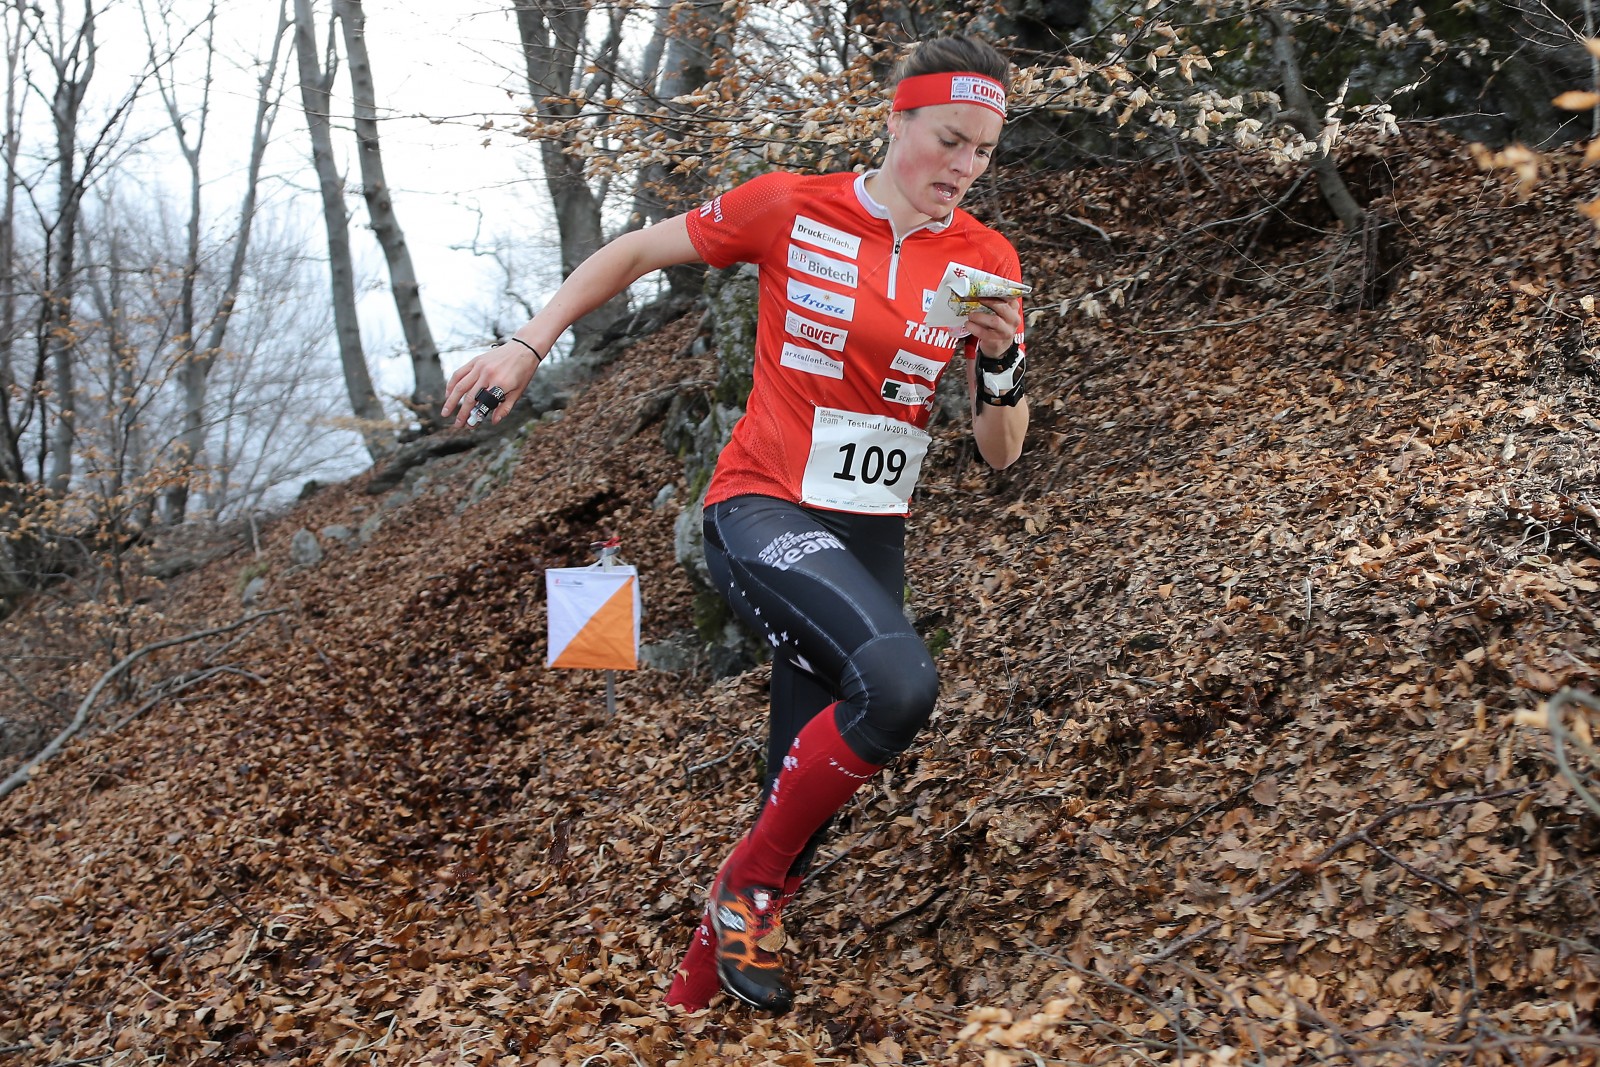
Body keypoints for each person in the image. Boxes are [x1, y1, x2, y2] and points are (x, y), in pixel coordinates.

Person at [442, 34, 1030, 1014]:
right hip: (763, 507)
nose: (965, 167)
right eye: (949, 140)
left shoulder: (984, 259)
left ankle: (683, 1012)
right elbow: (636, 250)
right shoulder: (791, 206)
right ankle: (747, 889)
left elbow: (1001, 451)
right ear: (897, 122)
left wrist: (1001, 362)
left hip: (869, 537)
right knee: (899, 684)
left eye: (984, 151)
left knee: (798, 805)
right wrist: (528, 344)